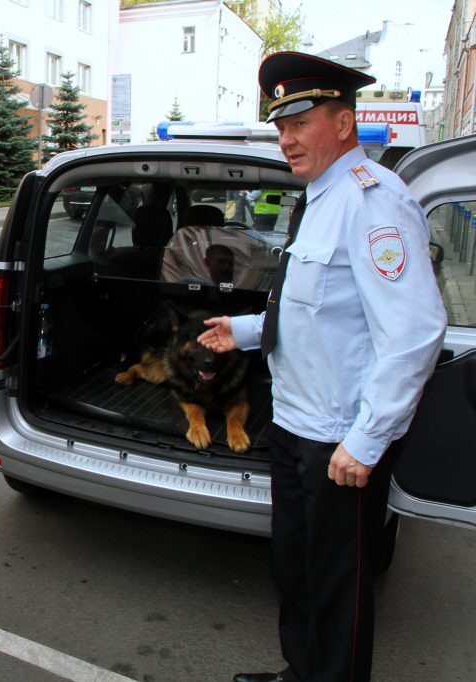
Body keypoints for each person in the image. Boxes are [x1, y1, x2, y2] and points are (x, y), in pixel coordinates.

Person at [197, 52, 447, 682]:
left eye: (300, 123)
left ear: (343, 124)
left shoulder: (373, 202)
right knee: (295, 569)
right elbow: (319, 308)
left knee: (341, 591)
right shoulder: (320, 198)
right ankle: (300, 673)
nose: (286, 139)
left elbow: (414, 331)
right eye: (281, 126)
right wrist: (248, 330)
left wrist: (365, 441)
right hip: (295, 423)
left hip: (341, 439)